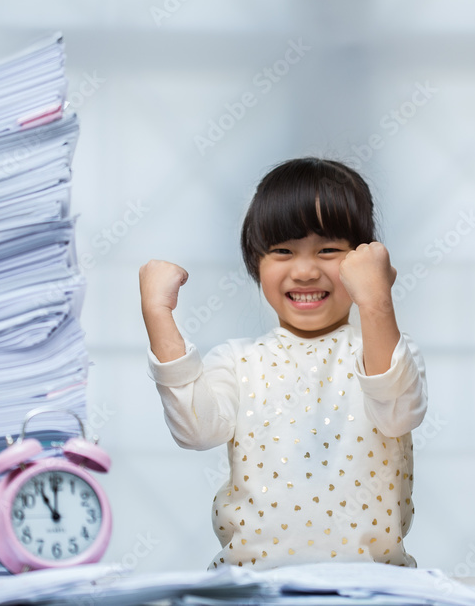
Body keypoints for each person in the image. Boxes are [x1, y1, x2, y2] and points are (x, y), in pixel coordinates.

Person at [138, 157, 427, 569]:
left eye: (328, 250)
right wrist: (157, 313)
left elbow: (397, 412)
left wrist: (377, 302)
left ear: (362, 261)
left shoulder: (387, 353)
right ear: (257, 263)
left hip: (373, 585)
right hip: (250, 585)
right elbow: (195, 430)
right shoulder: (238, 361)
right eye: (283, 251)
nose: (306, 270)